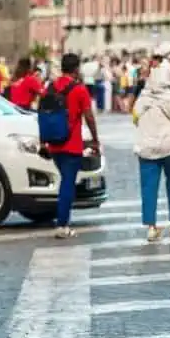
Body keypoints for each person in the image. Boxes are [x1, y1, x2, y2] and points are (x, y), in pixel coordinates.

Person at [133, 63, 170, 243]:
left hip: (147, 147)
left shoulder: (143, 96)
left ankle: (151, 227)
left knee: (148, 187)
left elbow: (135, 116)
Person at [42, 53, 100, 239]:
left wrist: (44, 139)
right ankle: (62, 224)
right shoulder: (79, 89)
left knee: (65, 181)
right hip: (71, 143)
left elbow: (42, 112)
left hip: (53, 142)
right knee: (68, 183)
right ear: (76, 69)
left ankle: (61, 218)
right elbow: (89, 116)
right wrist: (95, 139)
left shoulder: (50, 87)